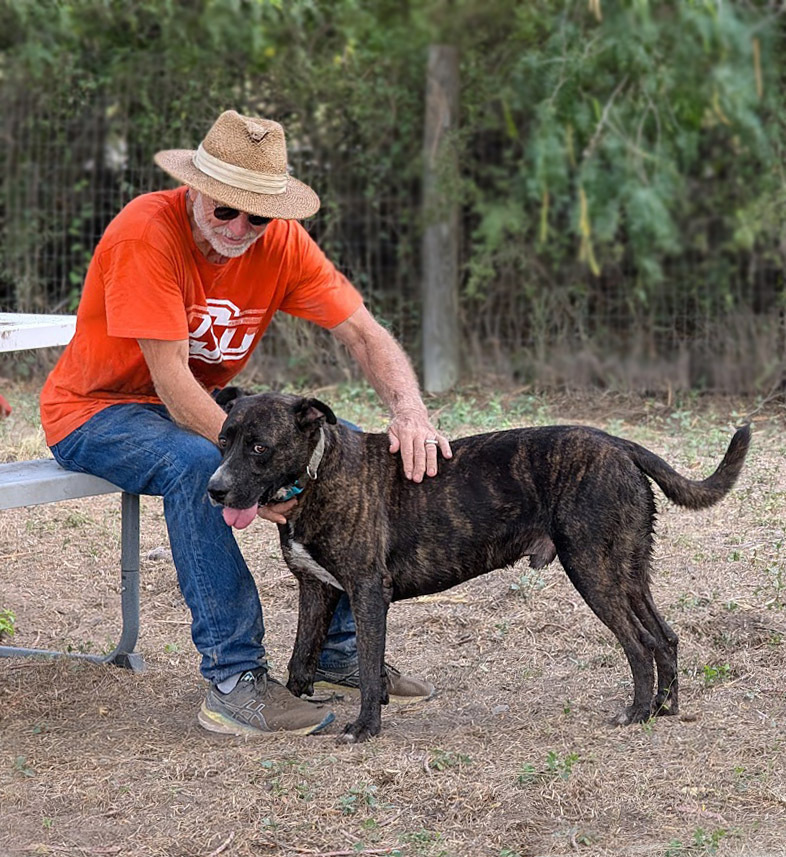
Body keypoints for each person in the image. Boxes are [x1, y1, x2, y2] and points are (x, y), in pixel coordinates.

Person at [40, 110, 452, 738]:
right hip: (98, 411)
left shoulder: (280, 242)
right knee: (198, 463)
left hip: (193, 405)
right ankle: (235, 682)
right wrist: (252, 474)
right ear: (195, 189)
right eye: (224, 210)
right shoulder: (144, 231)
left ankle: (338, 651)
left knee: (329, 447)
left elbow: (364, 334)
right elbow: (173, 383)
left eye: (256, 215)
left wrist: (410, 413)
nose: (239, 227)